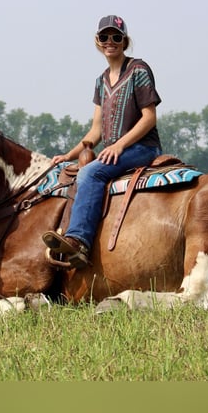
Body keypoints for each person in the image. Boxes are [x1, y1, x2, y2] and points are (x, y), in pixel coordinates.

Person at [42, 15, 162, 268]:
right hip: (114, 151)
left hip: (141, 148)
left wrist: (119, 145)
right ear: (98, 42)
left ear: (125, 41)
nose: (111, 42)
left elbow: (149, 117)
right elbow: (95, 130)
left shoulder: (138, 70)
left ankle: (79, 242)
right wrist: (69, 155)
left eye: (116, 37)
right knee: (70, 173)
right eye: (105, 37)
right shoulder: (100, 81)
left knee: (91, 174)